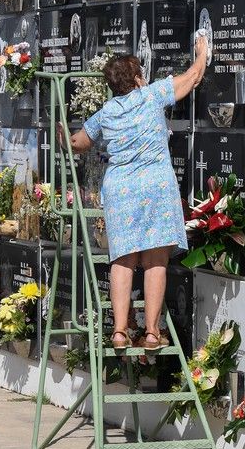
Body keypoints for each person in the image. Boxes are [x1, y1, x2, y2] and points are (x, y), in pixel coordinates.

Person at [64, 37, 208, 350]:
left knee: (122, 260)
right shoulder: (152, 95)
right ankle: (153, 333)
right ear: (137, 77)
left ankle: (118, 331)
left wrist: (63, 136)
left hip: (121, 190)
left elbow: (78, 143)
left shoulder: (105, 113)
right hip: (156, 186)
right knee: (156, 259)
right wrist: (202, 52)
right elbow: (193, 76)